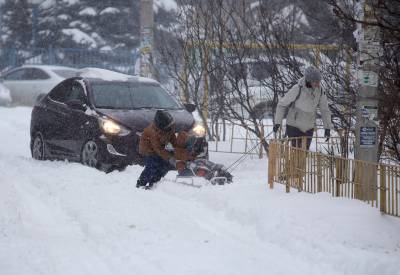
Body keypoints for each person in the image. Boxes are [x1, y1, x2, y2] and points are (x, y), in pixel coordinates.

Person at [273, 66, 333, 149]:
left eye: (319, 82)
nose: (318, 84)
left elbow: (325, 110)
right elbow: (282, 104)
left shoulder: (320, 91)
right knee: (297, 153)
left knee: (304, 154)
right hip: (294, 125)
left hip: (309, 127)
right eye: (316, 82)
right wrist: (277, 122)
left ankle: (294, 162)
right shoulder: (297, 89)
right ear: (309, 81)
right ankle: (292, 161)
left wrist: (327, 127)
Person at [136, 110, 177, 189]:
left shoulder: (169, 128)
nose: (171, 127)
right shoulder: (152, 132)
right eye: (168, 126)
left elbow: (173, 139)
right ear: (162, 125)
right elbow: (158, 149)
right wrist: (170, 157)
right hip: (148, 149)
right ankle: (141, 183)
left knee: (165, 166)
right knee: (152, 165)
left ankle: (154, 182)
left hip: (159, 148)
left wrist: (178, 149)